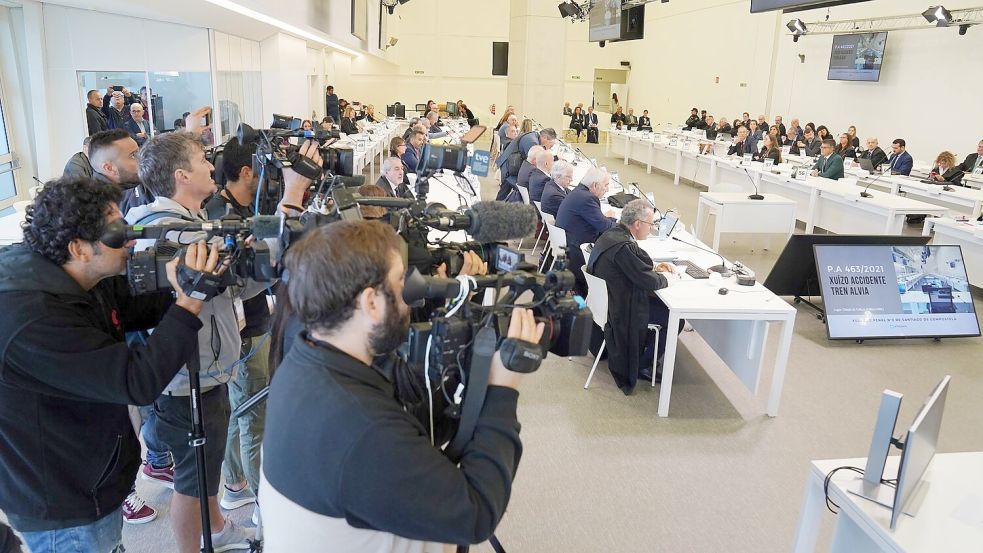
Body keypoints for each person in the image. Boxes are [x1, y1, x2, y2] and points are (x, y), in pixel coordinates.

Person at [259, 220, 543, 551]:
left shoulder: (303, 360)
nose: (411, 294)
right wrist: (502, 390)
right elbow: (476, 514)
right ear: (371, 303)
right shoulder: (362, 427)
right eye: (400, 282)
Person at [0, 176, 218, 553]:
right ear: (79, 248)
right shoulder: (33, 318)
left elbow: (132, 308)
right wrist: (190, 302)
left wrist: (183, 282)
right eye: (117, 233)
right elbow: (136, 381)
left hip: (90, 467)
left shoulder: (78, 274)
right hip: (66, 502)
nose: (131, 239)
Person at [125, 132, 317, 553]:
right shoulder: (171, 235)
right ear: (181, 175)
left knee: (206, 468)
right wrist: (291, 195)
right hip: (185, 378)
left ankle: (217, 527)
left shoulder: (189, 225)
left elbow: (238, 285)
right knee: (192, 480)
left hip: (205, 369)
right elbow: (228, 278)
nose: (212, 167)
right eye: (201, 161)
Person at [202, 137, 276, 518]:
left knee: (239, 408)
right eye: (265, 167)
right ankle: (261, 504)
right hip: (241, 332)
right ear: (246, 172)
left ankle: (233, 482)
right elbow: (232, 282)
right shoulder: (218, 216)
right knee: (252, 414)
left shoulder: (248, 207)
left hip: (253, 322)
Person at [587, 200, 680, 394]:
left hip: (606, 304)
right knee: (674, 318)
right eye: (651, 224)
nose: (652, 229)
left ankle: (644, 352)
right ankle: (643, 365)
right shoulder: (624, 247)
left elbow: (633, 267)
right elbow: (649, 282)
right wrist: (671, 278)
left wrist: (653, 267)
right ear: (637, 224)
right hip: (620, 310)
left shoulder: (612, 235)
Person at [556, 167, 617, 296]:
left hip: (569, 244)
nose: (607, 190)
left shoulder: (579, 192)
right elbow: (604, 226)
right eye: (606, 185)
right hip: (578, 251)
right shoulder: (587, 198)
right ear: (595, 185)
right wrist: (621, 223)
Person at [87, 129, 155, 216]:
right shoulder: (104, 207)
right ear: (109, 168)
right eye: (133, 155)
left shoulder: (130, 181)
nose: (142, 159)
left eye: (139, 152)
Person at [495, 128, 558, 201]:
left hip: (510, 164)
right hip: (509, 168)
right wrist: (554, 159)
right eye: (550, 145)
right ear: (544, 138)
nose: (549, 148)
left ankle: (496, 207)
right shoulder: (532, 142)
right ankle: (495, 209)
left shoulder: (534, 136)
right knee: (503, 192)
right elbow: (538, 160)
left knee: (504, 192)